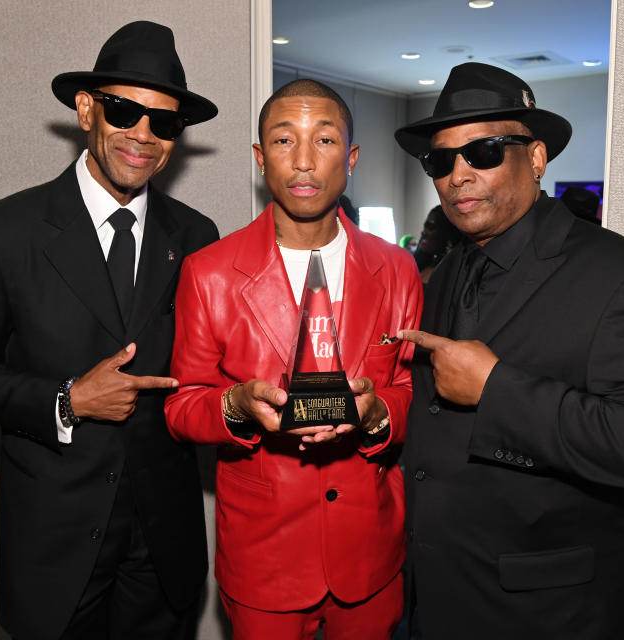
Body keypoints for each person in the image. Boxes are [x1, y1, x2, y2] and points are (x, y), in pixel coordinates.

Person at [393, 63, 624, 640]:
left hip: (557, 616)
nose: (458, 175)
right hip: (441, 598)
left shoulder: (622, 275)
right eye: (440, 160)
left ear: (536, 158)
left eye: (484, 151)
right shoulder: (443, 274)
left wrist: (497, 390)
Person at [0, 22, 219, 639]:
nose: (143, 136)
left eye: (164, 122)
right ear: (86, 109)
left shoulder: (197, 237)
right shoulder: (1, 231)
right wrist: (67, 400)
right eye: (125, 111)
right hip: (54, 544)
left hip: (162, 547)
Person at [165, 79, 422, 639]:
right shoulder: (208, 272)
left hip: (370, 549)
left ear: (351, 158)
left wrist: (379, 414)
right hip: (266, 554)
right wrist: (234, 404)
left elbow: (406, 388)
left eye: (324, 140)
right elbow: (182, 407)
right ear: (260, 158)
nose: (304, 160)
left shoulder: (397, 268)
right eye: (284, 141)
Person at [413, 205, 462, 284]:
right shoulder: (420, 264)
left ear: (447, 233)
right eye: (425, 227)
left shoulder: (454, 273)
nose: (423, 232)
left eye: (431, 227)